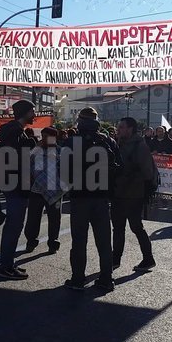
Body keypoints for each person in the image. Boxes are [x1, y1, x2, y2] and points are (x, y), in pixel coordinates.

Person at [61, 107, 116, 291]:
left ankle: (78, 279)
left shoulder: (71, 142)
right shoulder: (106, 140)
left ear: (80, 122)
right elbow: (119, 166)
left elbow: (63, 170)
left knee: (79, 240)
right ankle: (106, 278)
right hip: (101, 197)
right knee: (103, 241)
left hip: (80, 196)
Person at [0, 99, 36, 280]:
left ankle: (8, 264)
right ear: (25, 112)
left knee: (13, 226)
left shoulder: (13, 133)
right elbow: (17, 161)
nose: (34, 115)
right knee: (14, 226)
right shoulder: (16, 134)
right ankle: (6, 267)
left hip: (14, 184)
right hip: (16, 186)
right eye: (32, 111)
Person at [111, 117, 156, 271]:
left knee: (136, 227)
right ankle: (115, 259)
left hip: (133, 194)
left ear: (130, 129)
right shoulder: (119, 143)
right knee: (117, 228)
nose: (118, 130)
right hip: (119, 192)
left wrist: (132, 179)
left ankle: (148, 259)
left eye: (122, 127)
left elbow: (148, 172)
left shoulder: (139, 145)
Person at [24, 127, 63, 253]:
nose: (44, 139)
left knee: (54, 218)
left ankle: (53, 243)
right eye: (42, 136)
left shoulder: (60, 151)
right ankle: (31, 241)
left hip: (54, 191)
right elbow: (28, 166)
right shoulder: (36, 150)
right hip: (36, 190)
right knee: (33, 218)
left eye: (47, 136)